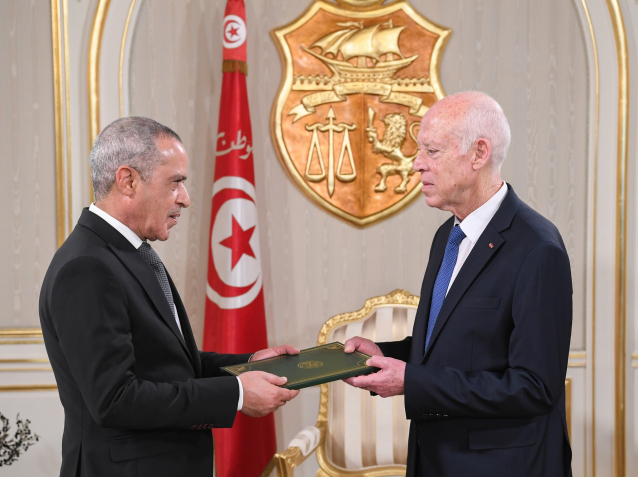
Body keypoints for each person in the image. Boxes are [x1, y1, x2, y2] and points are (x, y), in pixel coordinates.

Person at [39, 117, 299, 477]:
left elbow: (164, 364)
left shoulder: (127, 252)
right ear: (128, 181)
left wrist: (249, 364)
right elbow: (115, 399)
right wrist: (237, 393)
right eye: (175, 182)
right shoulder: (87, 267)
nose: (185, 199)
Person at [344, 91, 572, 476]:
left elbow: (534, 387)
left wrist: (412, 382)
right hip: (435, 458)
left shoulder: (537, 248)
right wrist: (384, 353)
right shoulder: (447, 237)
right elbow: (456, 347)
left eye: (432, 151)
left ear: (479, 154)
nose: (417, 164)